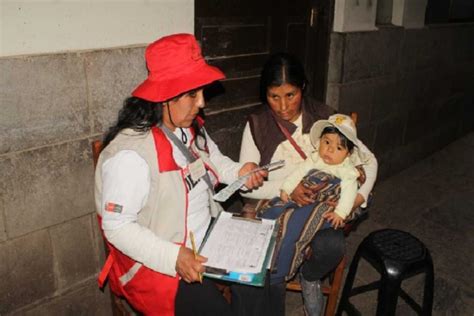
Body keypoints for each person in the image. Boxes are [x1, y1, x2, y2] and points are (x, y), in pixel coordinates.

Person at [94, 33, 266, 316]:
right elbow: (117, 227)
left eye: (201, 93)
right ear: (164, 96)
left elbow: (214, 159)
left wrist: (239, 171)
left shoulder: (189, 126)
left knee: (262, 278)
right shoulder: (131, 155)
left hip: (205, 236)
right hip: (158, 261)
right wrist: (174, 256)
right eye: (192, 94)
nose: (202, 103)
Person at [239, 52, 378, 315]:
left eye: (290, 95)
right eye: (274, 96)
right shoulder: (257, 125)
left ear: (303, 87)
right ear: (264, 94)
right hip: (276, 200)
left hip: (324, 204)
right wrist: (290, 187)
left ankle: (310, 277)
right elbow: (247, 185)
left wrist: (358, 198)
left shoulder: (324, 117)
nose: (282, 107)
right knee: (275, 252)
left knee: (331, 246)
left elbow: (369, 162)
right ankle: (274, 300)